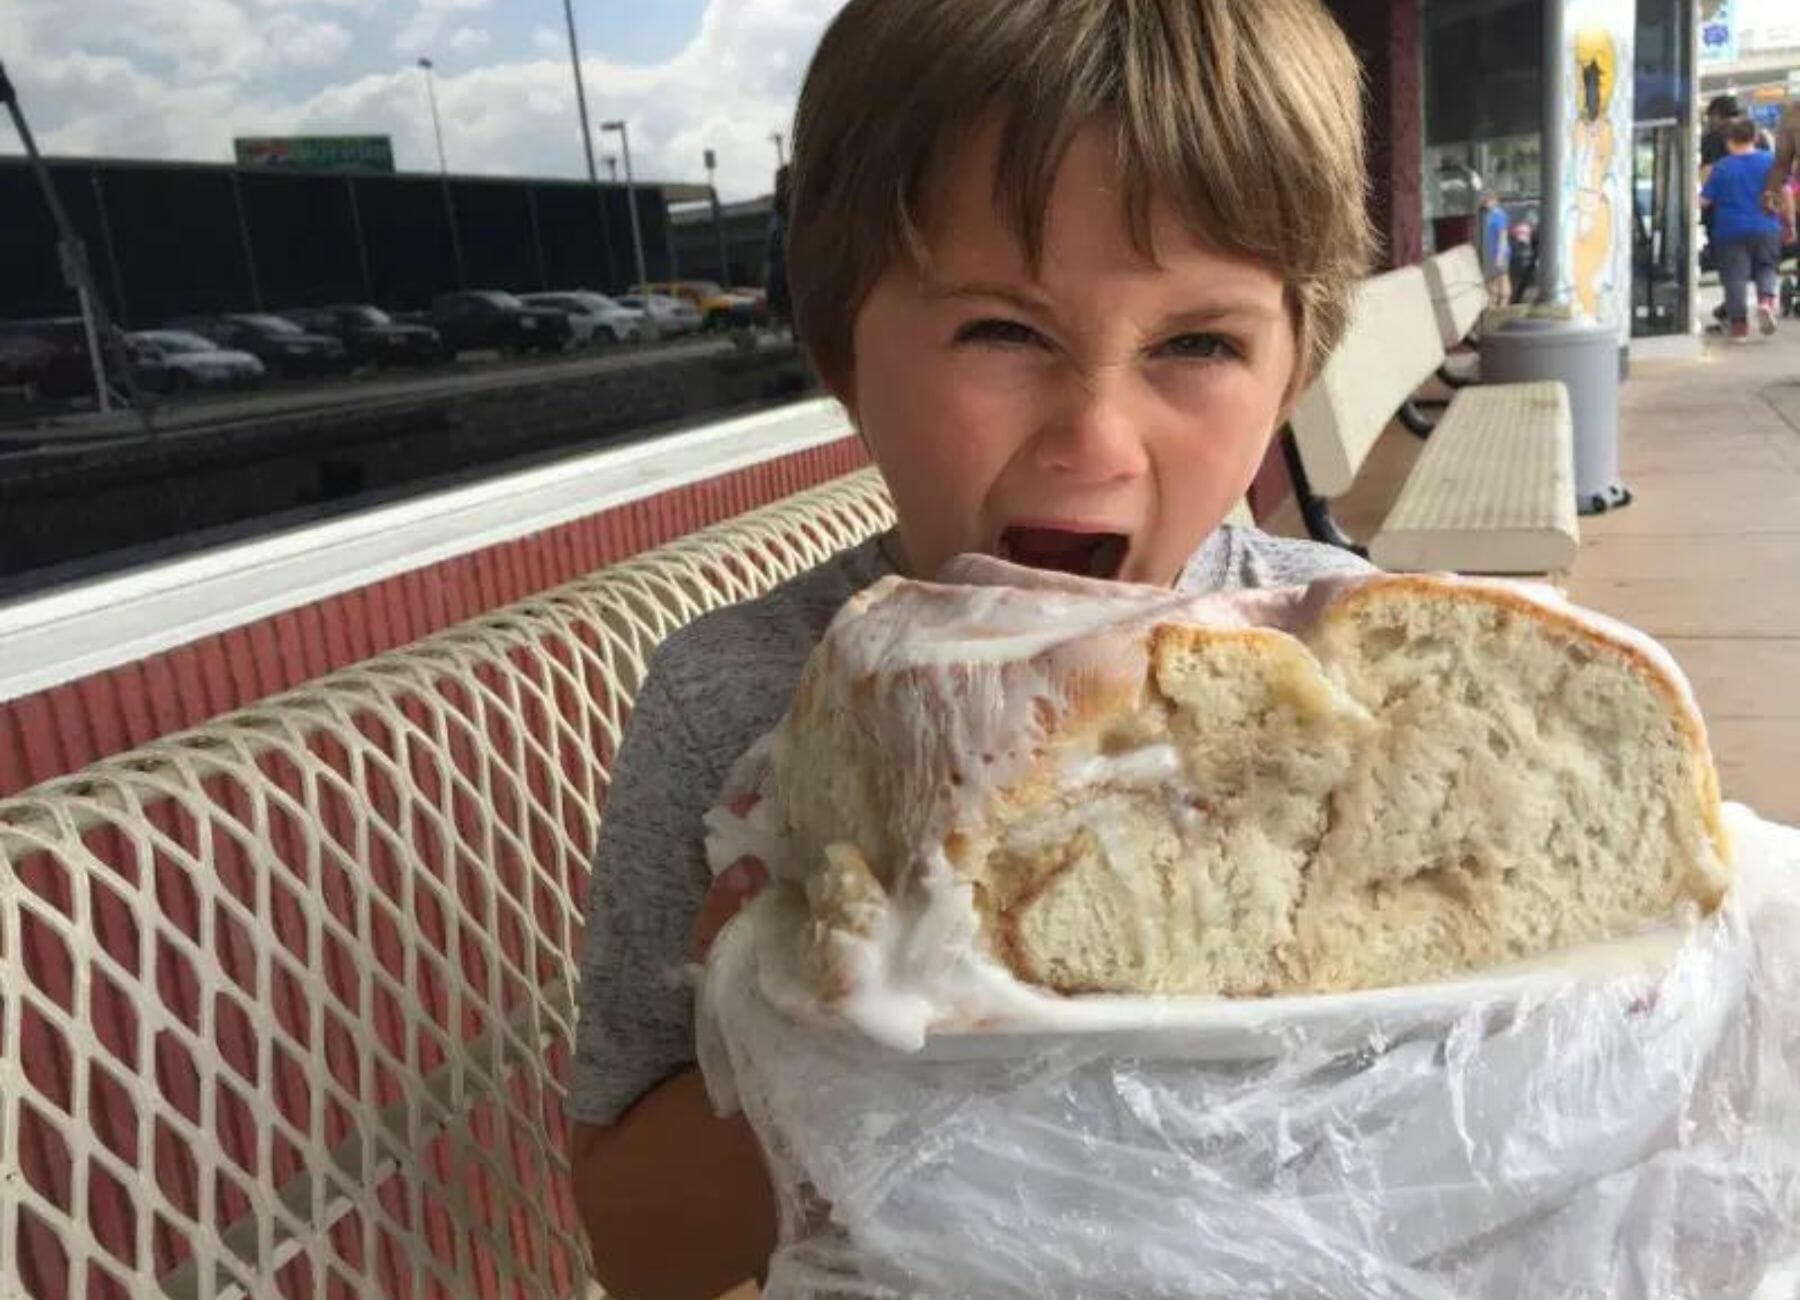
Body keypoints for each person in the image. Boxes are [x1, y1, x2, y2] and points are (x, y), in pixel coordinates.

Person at [563, 2, 1377, 1297]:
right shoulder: (740, 699)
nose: (1095, 440)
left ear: (1291, 373)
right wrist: (799, 1042)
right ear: (841, 348)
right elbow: (639, 1246)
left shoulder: (1346, 666)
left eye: (1198, 345)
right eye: (1004, 330)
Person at [1701, 116, 1784, 340]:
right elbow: (1784, 193)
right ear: (1755, 137)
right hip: (1766, 225)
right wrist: (1790, 224)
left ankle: (1740, 328)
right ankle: (1766, 302)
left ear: (1729, 141)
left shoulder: (1721, 168)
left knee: (1735, 278)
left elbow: (1705, 201)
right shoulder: (1770, 161)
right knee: (1766, 267)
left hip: (1730, 230)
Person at [1478, 190, 1512, 308]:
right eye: (1486, 201)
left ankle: (1503, 304)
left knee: (1502, 276)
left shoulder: (1499, 215)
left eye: (1488, 201)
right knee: (1493, 279)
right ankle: (1493, 304)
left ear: (1494, 201)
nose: (1487, 204)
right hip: (1491, 251)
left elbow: (1503, 236)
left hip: (1499, 251)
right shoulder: (1489, 215)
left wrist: (1500, 254)